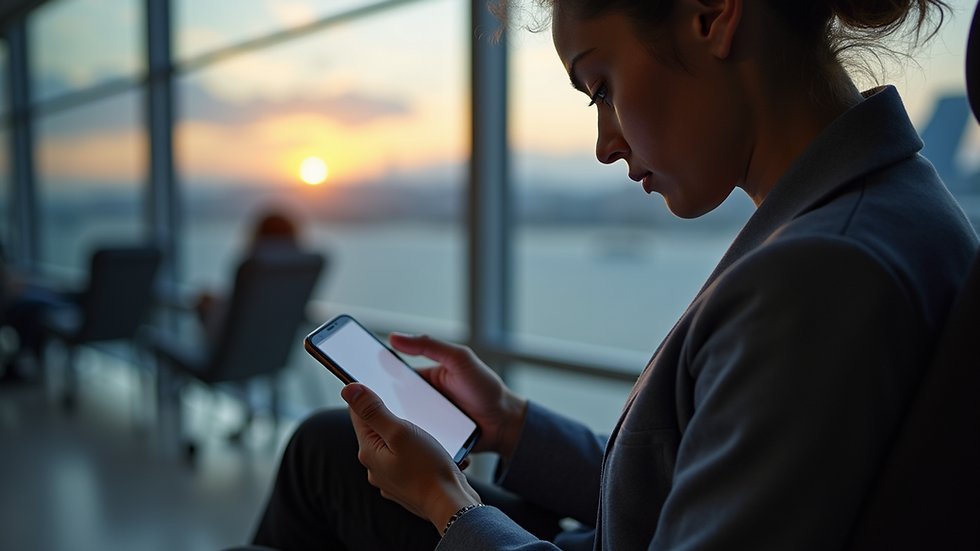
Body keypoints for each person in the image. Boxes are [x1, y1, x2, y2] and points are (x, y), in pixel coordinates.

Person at [246, 0, 980, 550]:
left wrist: (450, 507)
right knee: (325, 448)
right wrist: (512, 424)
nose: (604, 143)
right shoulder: (891, 210)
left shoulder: (819, 278)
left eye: (600, 85)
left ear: (712, 13)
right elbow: (686, 486)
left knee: (324, 465)